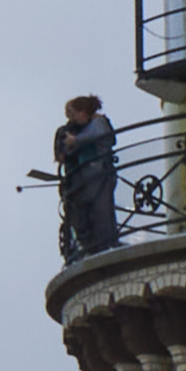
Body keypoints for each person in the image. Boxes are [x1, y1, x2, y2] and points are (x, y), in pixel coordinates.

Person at [51, 92, 119, 258]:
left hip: (98, 174)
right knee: (88, 213)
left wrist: (75, 141)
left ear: (82, 112)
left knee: (101, 212)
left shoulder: (98, 122)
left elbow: (93, 136)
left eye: (73, 114)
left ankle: (104, 245)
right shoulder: (89, 125)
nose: (71, 119)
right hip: (91, 176)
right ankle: (95, 245)